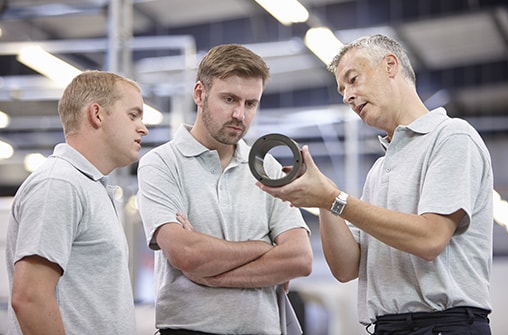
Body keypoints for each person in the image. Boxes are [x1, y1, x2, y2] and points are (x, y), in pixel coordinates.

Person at [258, 34, 494, 335]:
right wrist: (324, 202)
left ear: (390, 66)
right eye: (342, 90)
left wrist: (335, 198)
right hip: (387, 327)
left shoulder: (451, 137)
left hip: (444, 325)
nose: (347, 96)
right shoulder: (380, 169)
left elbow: (430, 239)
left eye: (353, 80)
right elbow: (346, 268)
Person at [136, 43, 313, 335]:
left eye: (250, 103)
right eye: (229, 99)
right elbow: (185, 255)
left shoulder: (266, 168)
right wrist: (263, 249)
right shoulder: (161, 164)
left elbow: (300, 258)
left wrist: (212, 275)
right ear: (199, 94)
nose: (239, 115)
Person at [6, 70, 149, 334]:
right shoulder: (60, 184)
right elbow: (29, 298)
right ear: (97, 115)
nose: (144, 128)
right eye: (133, 115)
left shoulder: (87, 186)